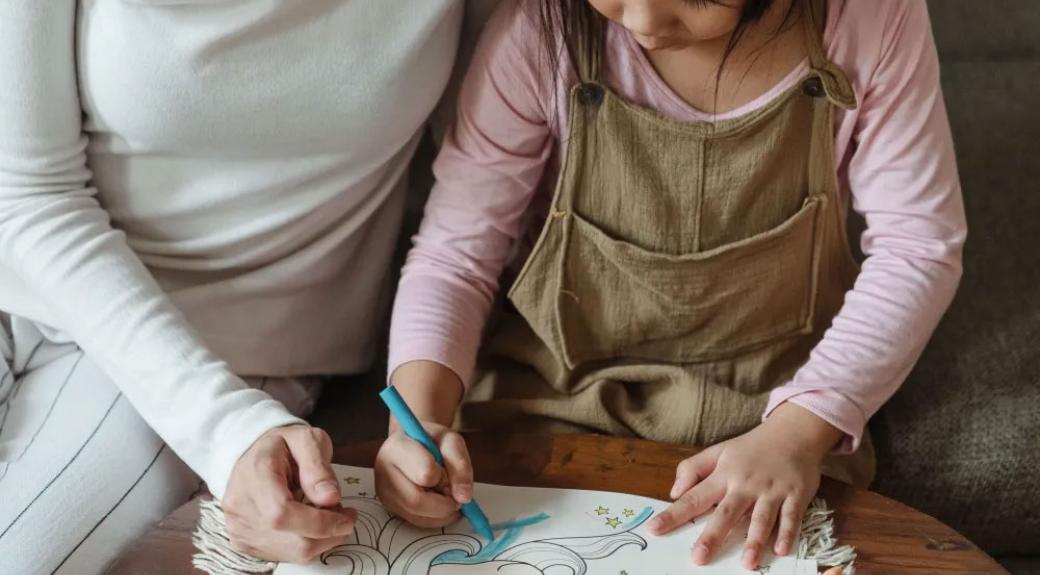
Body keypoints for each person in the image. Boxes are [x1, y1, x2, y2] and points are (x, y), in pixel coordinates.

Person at [375, 0, 966, 570]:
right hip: (556, 394)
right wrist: (417, 424)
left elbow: (917, 249)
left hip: (778, 408)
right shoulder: (537, 33)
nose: (643, 21)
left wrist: (798, 433)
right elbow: (455, 257)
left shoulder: (872, 19)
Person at [0, 1, 463, 573]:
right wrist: (223, 427)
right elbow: (26, 192)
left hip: (231, 349)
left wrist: (230, 427)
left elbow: (475, 201)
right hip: (29, 279)